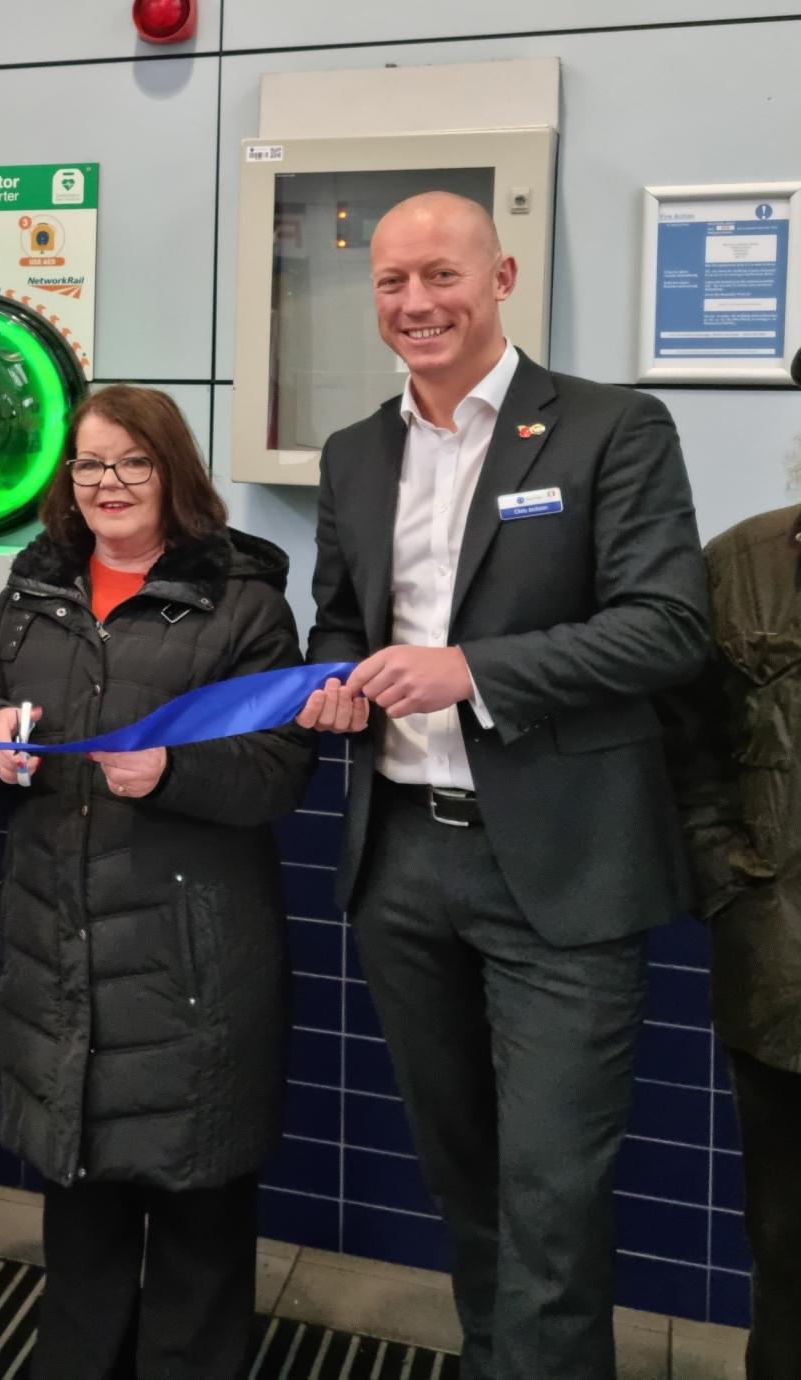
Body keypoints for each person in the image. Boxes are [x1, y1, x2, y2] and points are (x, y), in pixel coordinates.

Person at [298, 191, 710, 1380]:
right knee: (462, 1173)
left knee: (551, 1195)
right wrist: (335, 685)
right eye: (389, 282)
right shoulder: (355, 452)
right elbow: (339, 622)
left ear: (502, 275)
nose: (415, 304)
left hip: (559, 869)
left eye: (440, 276)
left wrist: (468, 670)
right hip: (399, 867)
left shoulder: (606, 429)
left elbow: (665, 627)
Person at [0, 386, 313, 1380]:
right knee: (79, 1204)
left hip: (187, 964)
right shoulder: (32, 592)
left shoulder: (241, 601)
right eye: (87, 465)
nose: (106, 484)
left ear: (172, 473)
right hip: (56, 949)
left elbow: (281, 769)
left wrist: (173, 772)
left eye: (130, 463)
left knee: (197, 1207)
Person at [665, 344, 801, 1380]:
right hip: (777, 979)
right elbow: (686, 749)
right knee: (786, 1254)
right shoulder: (742, 563)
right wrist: (727, 881)